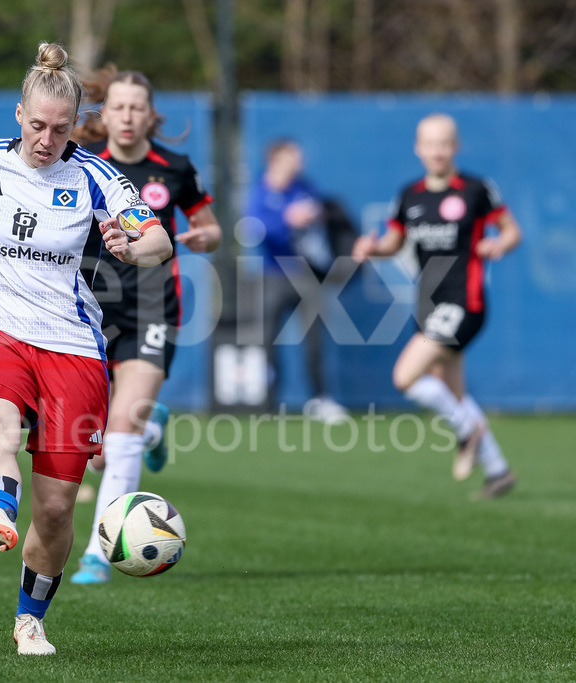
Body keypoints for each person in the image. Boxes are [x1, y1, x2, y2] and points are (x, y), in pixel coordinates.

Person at [0, 43, 172, 655]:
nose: (46, 139)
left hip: (73, 348)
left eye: (60, 128)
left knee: (54, 509)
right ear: (18, 114)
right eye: (37, 125)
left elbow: (157, 240)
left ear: (76, 124)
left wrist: (133, 249)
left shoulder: (96, 177)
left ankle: (30, 619)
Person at [67, 66, 222, 585]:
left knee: (122, 432)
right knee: (99, 452)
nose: (128, 116)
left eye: (138, 107)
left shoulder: (174, 168)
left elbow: (210, 228)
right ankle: (154, 427)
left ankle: (97, 552)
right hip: (92, 312)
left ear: (151, 115)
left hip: (154, 307)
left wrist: (204, 237)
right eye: (118, 106)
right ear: (104, 113)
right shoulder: (85, 168)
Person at [352, 112, 521, 499]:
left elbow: (512, 230)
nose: (437, 151)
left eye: (444, 143)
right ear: (418, 148)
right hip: (429, 303)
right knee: (452, 392)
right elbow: (394, 242)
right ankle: (497, 470)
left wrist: (500, 244)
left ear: (456, 146)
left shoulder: (477, 190)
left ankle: (468, 431)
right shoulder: (410, 195)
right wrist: (373, 249)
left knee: (405, 377)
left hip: (466, 301)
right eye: (429, 144)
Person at [243, 139, 349, 423]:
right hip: (272, 276)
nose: (300, 160)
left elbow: (318, 217)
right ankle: (268, 404)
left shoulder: (304, 186)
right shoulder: (259, 191)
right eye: (294, 155)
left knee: (314, 340)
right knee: (266, 341)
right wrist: (286, 220)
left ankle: (320, 399)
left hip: (306, 275)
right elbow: (254, 229)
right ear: (276, 159)